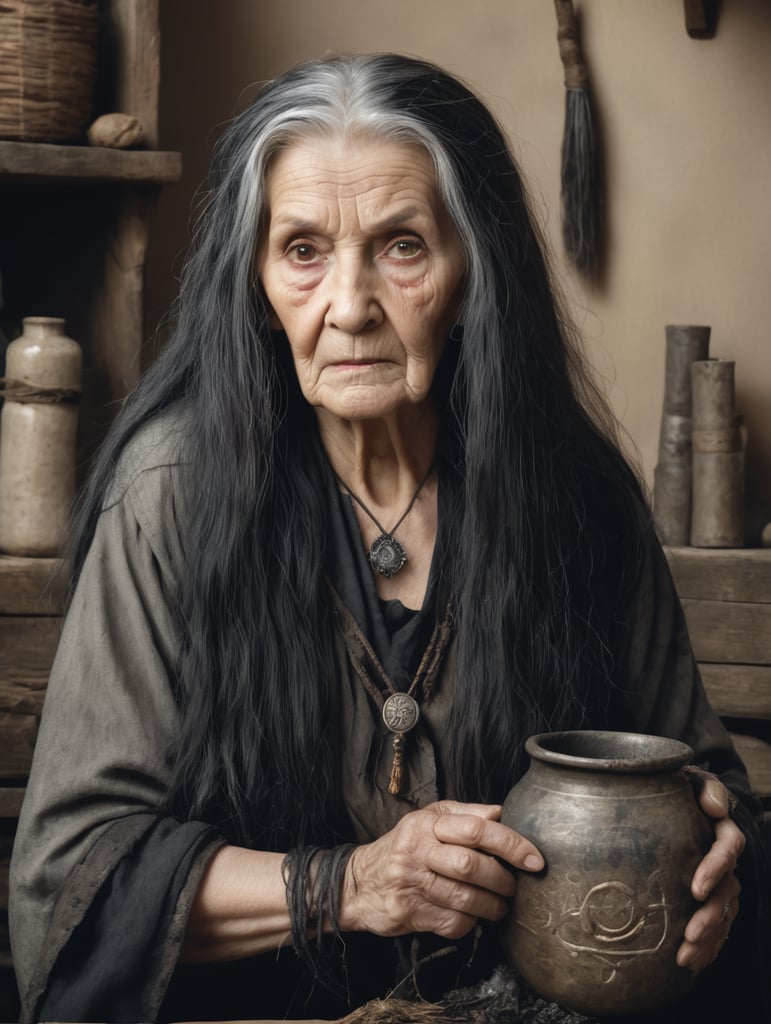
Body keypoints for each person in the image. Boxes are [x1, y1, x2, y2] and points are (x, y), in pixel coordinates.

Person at [9, 53, 766, 1023]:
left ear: (471, 269)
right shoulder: (170, 495)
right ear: (256, 281)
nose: (349, 305)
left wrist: (715, 848)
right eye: (302, 250)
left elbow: (708, 784)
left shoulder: (577, 494)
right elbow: (73, 879)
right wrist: (349, 884)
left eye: (402, 246)